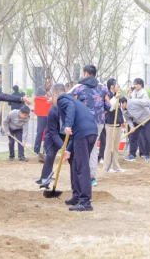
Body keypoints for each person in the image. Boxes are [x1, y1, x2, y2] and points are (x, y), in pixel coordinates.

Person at [52, 83, 97, 212]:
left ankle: (85, 202)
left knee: (82, 167)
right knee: (76, 164)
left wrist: (68, 125)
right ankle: (77, 196)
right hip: (89, 132)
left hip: (83, 133)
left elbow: (70, 109)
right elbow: (74, 133)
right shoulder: (72, 99)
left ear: (54, 95)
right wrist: (68, 150)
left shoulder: (62, 99)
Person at [72, 65, 111, 187]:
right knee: (93, 148)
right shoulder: (103, 88)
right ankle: (92, 177)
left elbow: (72, 104)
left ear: (85, 74)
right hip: (98, 123)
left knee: (81, 148)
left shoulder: (78, 88)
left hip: (82, 123)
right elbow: (108, 105)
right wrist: (100, 114)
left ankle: (81, 175)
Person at [120, 95, 150, 162]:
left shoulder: (134, 102)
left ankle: (147, 155)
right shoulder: (123, 110)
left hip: (146, 120)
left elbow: (148, 102)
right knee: (133, 137)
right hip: (136, 122)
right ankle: (132, 155)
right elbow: (128, 119)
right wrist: (132, 126)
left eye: (121, 104)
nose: (121, 106)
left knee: (148, 138)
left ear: (124, 102)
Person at [37, 104, 65, 187]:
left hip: (68, 136)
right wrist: (63, 146)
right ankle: (44, 184)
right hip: (53, 136)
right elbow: (53, 132)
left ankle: (77, 187)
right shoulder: (53, 110)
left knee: (74, 159)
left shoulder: (72, 108)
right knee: (49, 157)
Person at [103, 78, 125, 173]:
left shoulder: (117, 95)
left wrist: (122, 121)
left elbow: (119, 110)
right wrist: (115, 97)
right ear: (112, 86)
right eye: (116, 84)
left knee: (116, 146)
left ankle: (116, 166)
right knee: (109, 146)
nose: (118, 86)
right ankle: (107, 167)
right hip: (111, 124)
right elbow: (110, 107)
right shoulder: (108, 95)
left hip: (118, 123)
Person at [34, 77, 52, 157]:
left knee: (48, 133)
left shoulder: (52, 90)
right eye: (48, 82)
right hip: (41, 114)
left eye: (50, 82)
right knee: (40, 132)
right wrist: (44, 97)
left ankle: (45, 150)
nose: (49, 84)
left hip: (49, 114)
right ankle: (36, 150)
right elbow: (36, 99)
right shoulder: (39, 89)